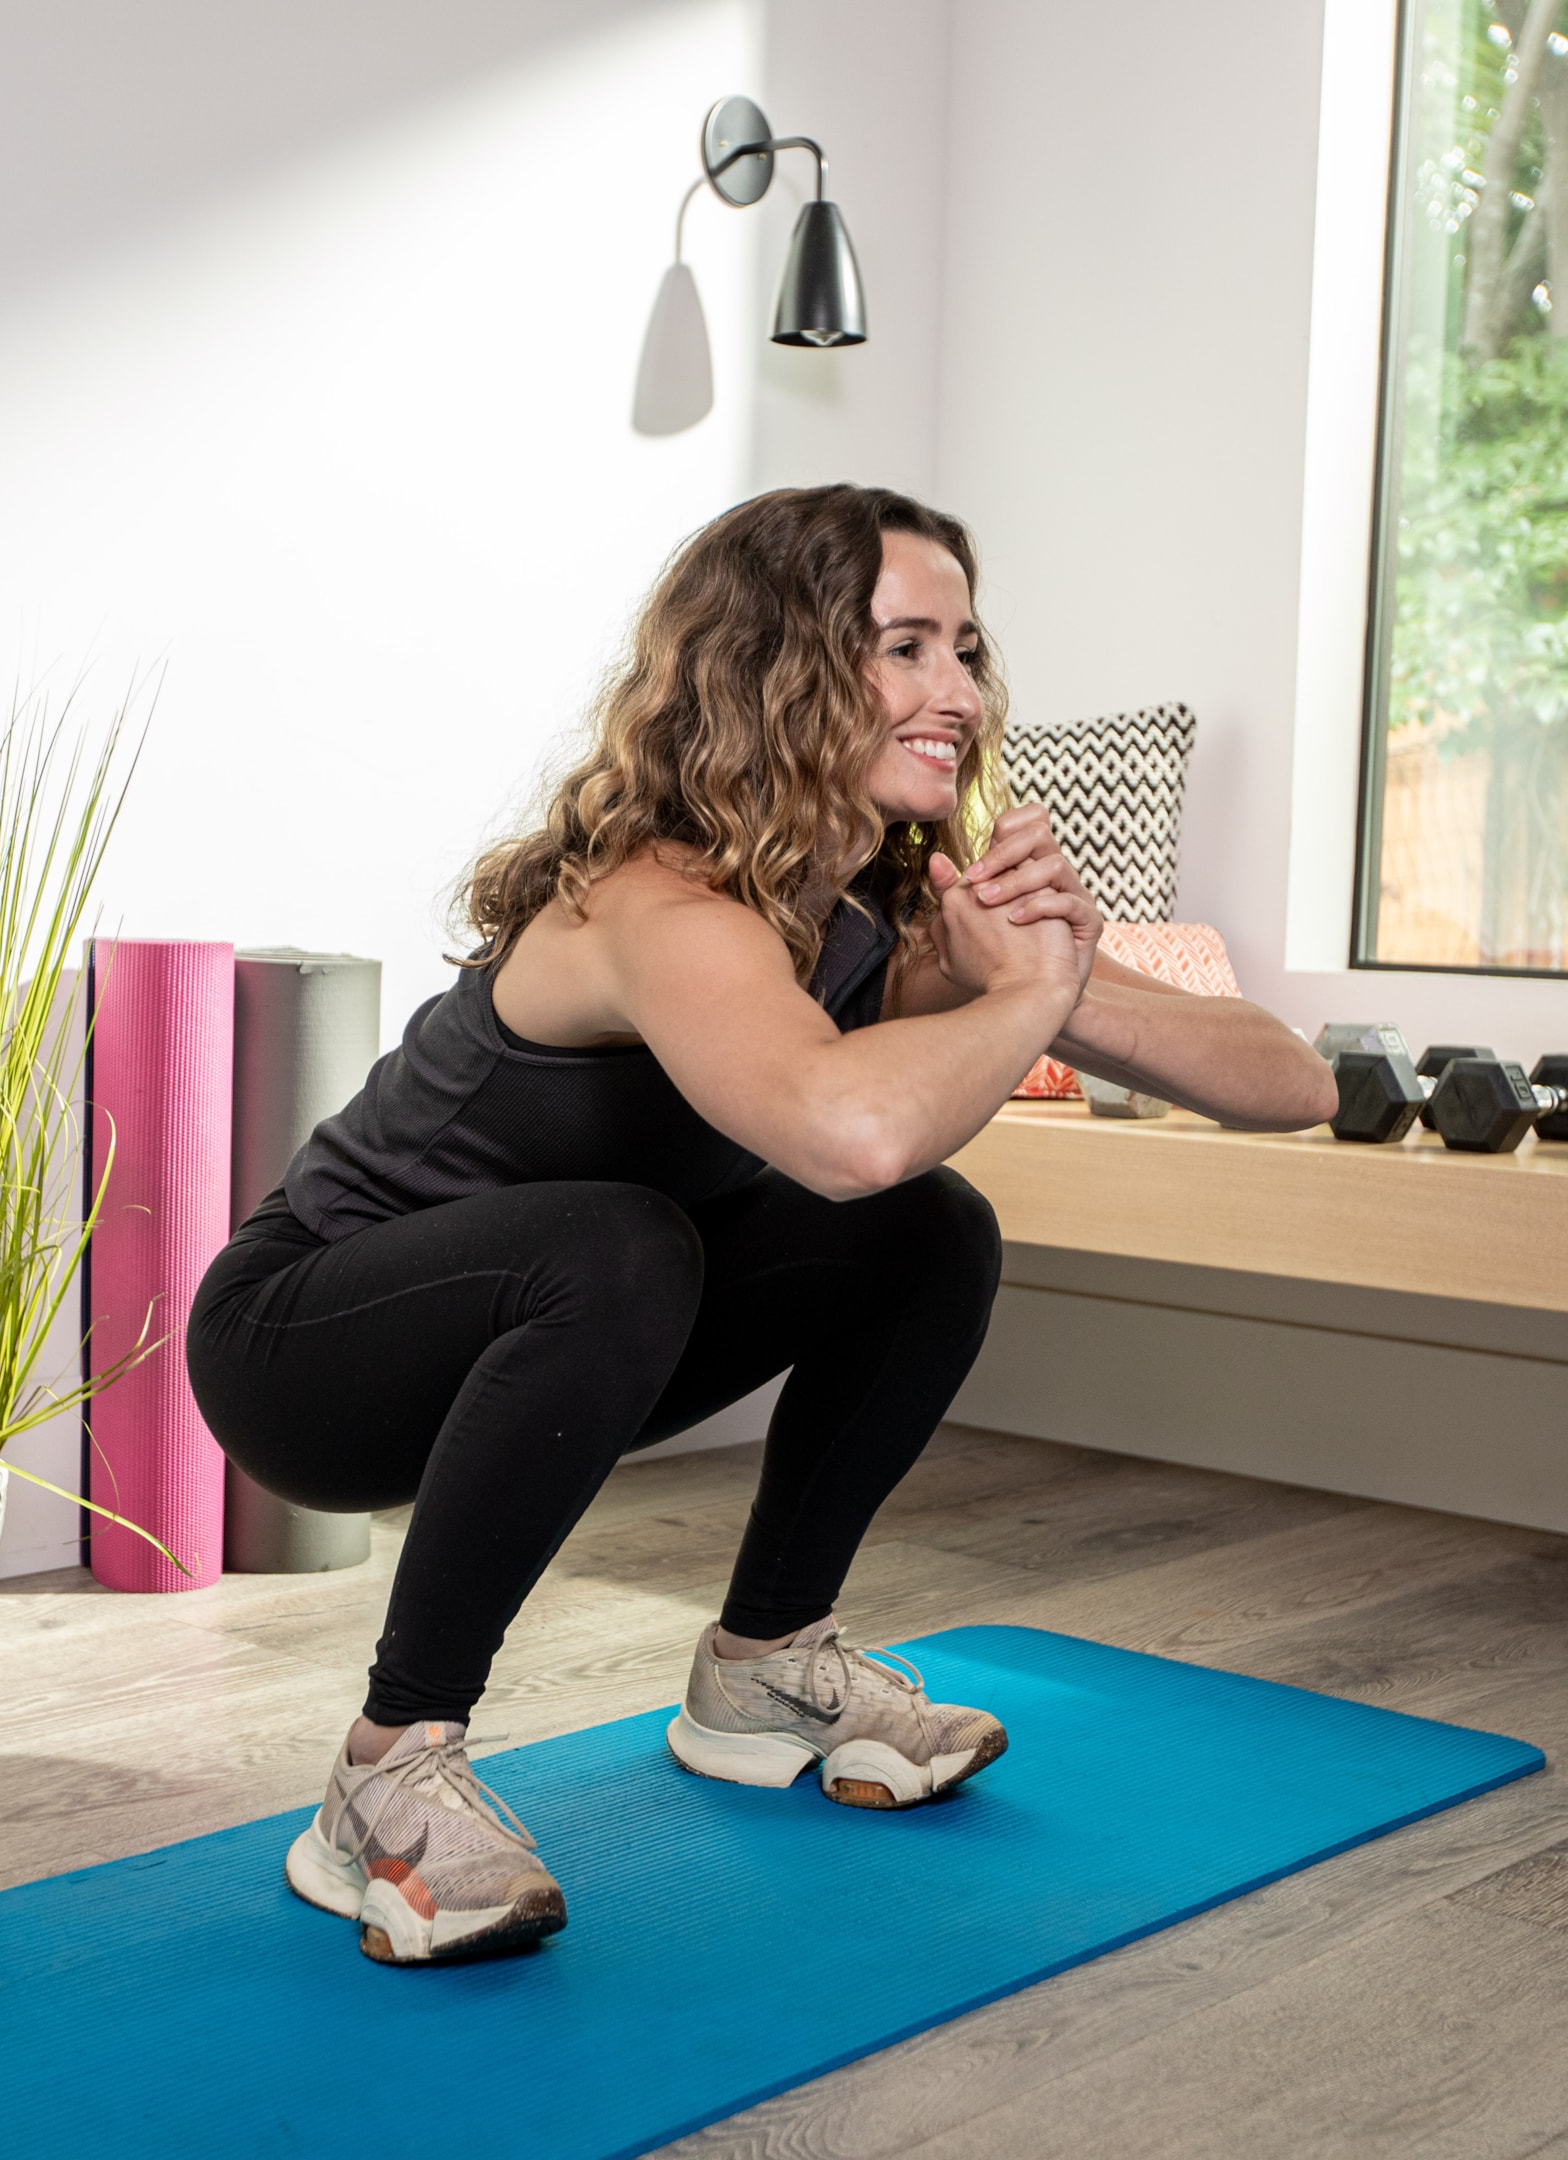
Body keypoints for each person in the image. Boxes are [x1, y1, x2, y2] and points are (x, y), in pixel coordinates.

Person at [185, 485, 1336, 1966]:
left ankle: (761, 1670)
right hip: (304, 1346)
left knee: (933, 1230)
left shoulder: (886, 904)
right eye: (908, 648)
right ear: (784, 665)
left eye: (968, 650)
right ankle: (382, 1772)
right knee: (628, 1241)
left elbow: (1288, 1080)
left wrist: (1052, 964)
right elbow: (848, 1130)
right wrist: (1031, 995)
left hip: (575, 1337)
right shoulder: (656, 898)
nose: (960, 695)